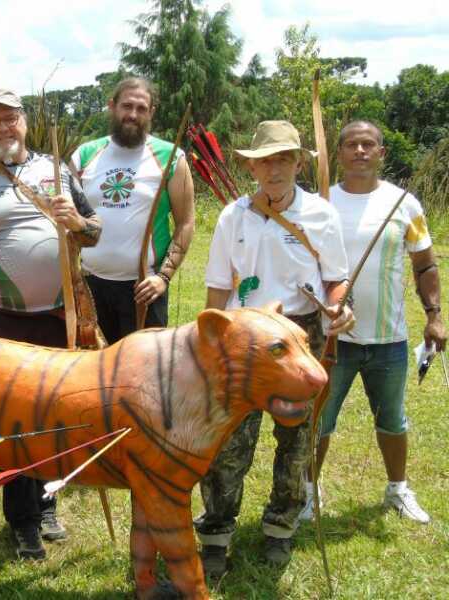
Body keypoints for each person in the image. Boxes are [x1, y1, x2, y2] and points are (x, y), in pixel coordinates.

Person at [0, 89, 102, 561]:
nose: (3, 128)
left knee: (56, 414)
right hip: (0, 320)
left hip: (60, 317)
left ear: (25, 122)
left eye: (11, 119)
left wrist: (77, 223)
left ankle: (47, 501)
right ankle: (23, 521)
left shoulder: (56, 170)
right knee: (14, 422)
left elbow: (94, 232)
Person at [194, 120, 355, 578]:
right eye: (265, 160)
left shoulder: (321, 214)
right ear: (252, 167)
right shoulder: (233, 216)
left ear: (298, 162)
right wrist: (210, 349)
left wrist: (338, 307)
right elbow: (217, 288)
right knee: (227, 443)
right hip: (243, 339)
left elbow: (336, 278)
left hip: (300, 335)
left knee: (296, 440)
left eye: (283, 158)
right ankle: (215, 537)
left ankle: (281, 529)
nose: (274, 168)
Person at [303, 120, 446, 523]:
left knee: (393, 418)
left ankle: (397, 490)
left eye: (369, 145)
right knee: (318, 420)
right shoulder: (320, 203)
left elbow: (425, 262)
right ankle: (307, 495)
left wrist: (434, 316)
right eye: (351, 145)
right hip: (332, 338)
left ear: (381, 153)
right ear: (339, 153)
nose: (360, 151)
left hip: (389, 337)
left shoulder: (405, 204)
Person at [70, 77, 195, 343]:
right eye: (127, 106)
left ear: (151, 112)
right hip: (91, 287)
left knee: (145, 374)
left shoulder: (171, 157)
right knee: (96, 373)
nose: (133, 114)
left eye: (141, 108)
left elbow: (186, 223)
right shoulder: (84, 155)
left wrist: (163, 277)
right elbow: (68, 222)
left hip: (144, 289)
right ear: (112, 106)